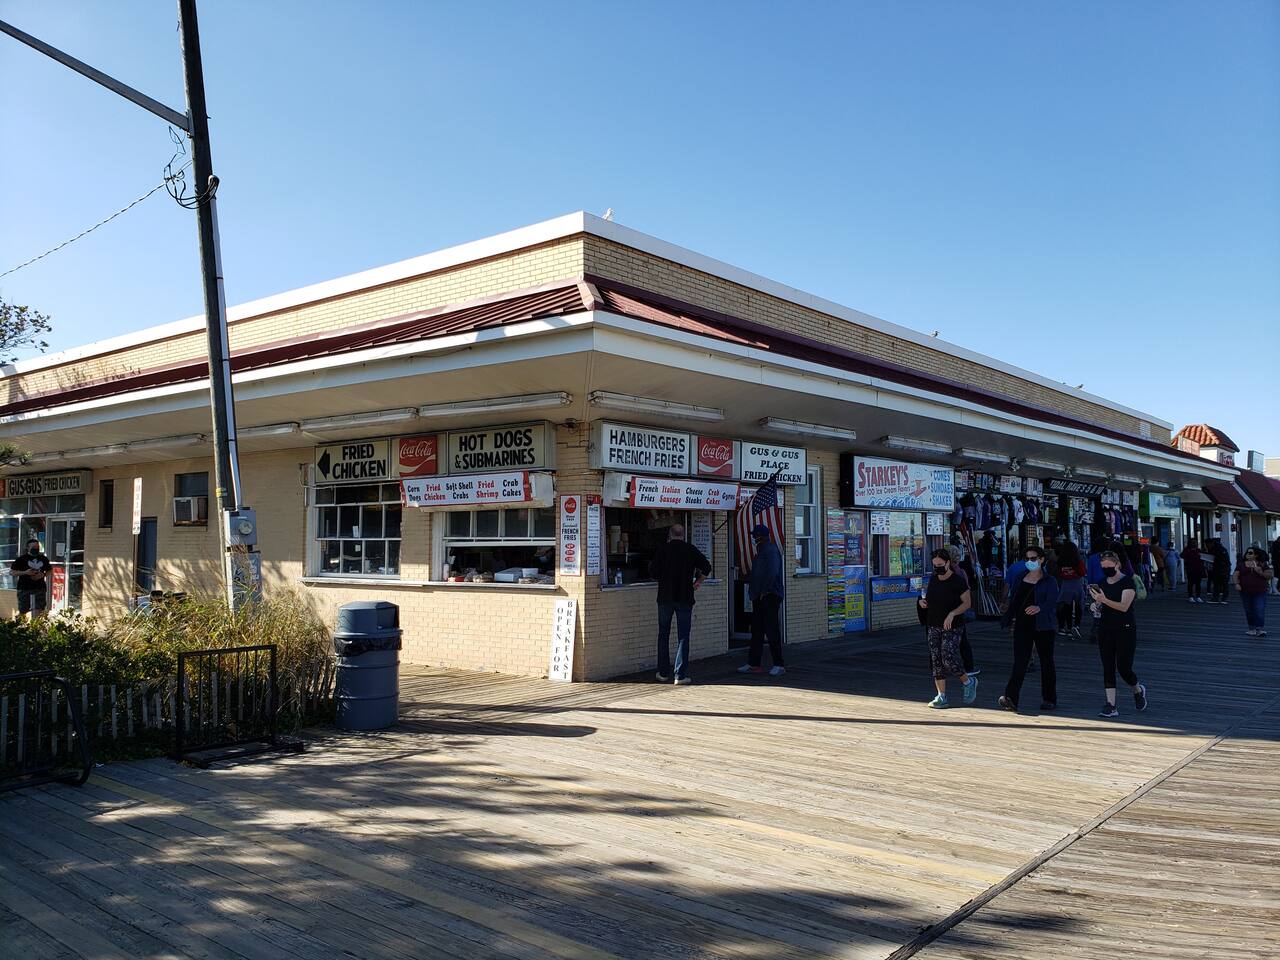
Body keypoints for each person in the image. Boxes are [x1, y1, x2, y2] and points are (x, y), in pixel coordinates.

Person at [998, 545, 1061, 711]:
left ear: (1041, 559)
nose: (1029, 562)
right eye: (1026, 559)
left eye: (1033, 558)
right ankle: (1011, 697)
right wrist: (1007, 614)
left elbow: (1052, 601)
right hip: (1023, 624)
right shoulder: (1020, 577)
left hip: (1044, 626)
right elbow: (1015, 600)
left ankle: (1049, 698)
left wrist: (1040, 607)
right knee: (1020, 662)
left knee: (1046, 662)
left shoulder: (1049, 580)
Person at [1088, 550, 1148, 718]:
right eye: (1103, 567)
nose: (1107, 569)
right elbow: (1100, 604)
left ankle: (1137, 689)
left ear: (1117, 564)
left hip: (1125, 628)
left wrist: (1104, 600)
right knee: (1108, 666)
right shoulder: (1102, 582)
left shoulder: (1127, 582)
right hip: (1105, 627)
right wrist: (1095, 605)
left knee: (1124, 667)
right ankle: (1111, 704)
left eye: (1110, 566)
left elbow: (1124, 606)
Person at [649, 524, 711, 685]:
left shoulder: (663, 550)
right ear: (683, 535)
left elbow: (653, 572)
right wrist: (698, 582)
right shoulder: (690, 549)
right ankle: (680, 675)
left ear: (670, 534)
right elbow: (707, 567)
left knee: (663, 635)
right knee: (683, 636)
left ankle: (663, 673)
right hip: (685, 597)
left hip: (665, 598)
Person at [917, 549, 977, 708]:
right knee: (936, 660)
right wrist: (922, 603)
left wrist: (953, 613)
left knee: (947, 657)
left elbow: (967, 603)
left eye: (940, 565)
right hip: (933, 623)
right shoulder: (933, 579)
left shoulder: (958, 581)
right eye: (935, 565)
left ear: (948, 563)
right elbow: (927, 598)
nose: (937, 568)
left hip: (953, 625)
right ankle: (941, 695)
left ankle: (968, 681)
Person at [738, 524, 786, 677]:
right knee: (757, 630)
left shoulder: (771, 551)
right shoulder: (761, 551)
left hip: (770, 595)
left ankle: (778, 664)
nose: (753, 538)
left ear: (761, 537)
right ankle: (754, 663)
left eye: (755, 535)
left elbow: (772, 572)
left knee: (771, 630)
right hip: (759, 595)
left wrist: (765, 591)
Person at [1234, 545, 1273, 637]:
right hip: (1245, 591)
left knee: (1259, 609)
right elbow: (1236, 574)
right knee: (1249, 610)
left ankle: (1259, 629)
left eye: (1250, 553)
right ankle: (1251, 628)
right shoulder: (1241, 564)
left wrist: (1260, 572)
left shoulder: (1262, 564)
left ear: (1256, 555)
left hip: (1260, 591)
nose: (1248, 554)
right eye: (1247, 552)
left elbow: (1270, 575)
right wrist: (1237, 584)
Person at [10, 538, 51, 620]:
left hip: (39, 588)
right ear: (28, 548)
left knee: (39, 609)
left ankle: (35, 625)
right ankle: (17, 623)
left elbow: (49, 570)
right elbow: (12, 572)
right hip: (24, 588)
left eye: (37, 547)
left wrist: (43, 575)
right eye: (33, 547)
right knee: (23, 610)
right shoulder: (21, 559)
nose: (36, 549)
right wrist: (25, 572)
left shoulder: (43, 558)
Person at [1054, 541, 1087, 639]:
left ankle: (1067, 627)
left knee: (1066, 606)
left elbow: (1058, 573)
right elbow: (1083, 572)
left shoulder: (1060, 561)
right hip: (1077, 585)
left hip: (1065, 585)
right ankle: (1076, 625)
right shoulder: (1078, 561)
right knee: (1078, 606)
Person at [1208, 539, 1231, 604]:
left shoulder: (1215, 550)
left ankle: (1215, 598)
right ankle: (1224, 599)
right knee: (1225, 584)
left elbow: (1214, 559)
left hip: (1218, 569)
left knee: (1217, 584)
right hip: (1225, 568)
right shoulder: (1223, 549)